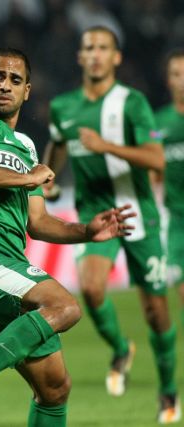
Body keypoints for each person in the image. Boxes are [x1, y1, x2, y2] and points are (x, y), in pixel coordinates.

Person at [0, 47, 134, 426]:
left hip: (10, 263)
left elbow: (37, 222)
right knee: (65, 306)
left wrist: (87, 231)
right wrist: (27, 177)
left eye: (15, 80)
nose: (5, 85)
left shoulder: (26, 147)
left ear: (27, 91)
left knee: (54, 388)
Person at [43, 26, 180, 423]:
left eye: (104, 48)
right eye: (89, 47)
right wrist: (48, 176)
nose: (96, 54)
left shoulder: (132, 103)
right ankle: (121, 349)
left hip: (138, 215)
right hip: (95, 214)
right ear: (80, 56)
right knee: (90, 287)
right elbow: (58, 143)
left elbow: (156, 159)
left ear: (116, 57)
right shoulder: (63, 106)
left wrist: (107, 146)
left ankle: (167, 391)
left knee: (156, 311)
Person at [155, 50, 184, 339]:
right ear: (168, 81)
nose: (183, 80)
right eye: (177, 74)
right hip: (177, 221)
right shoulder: (159, 124)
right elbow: (151, 168)